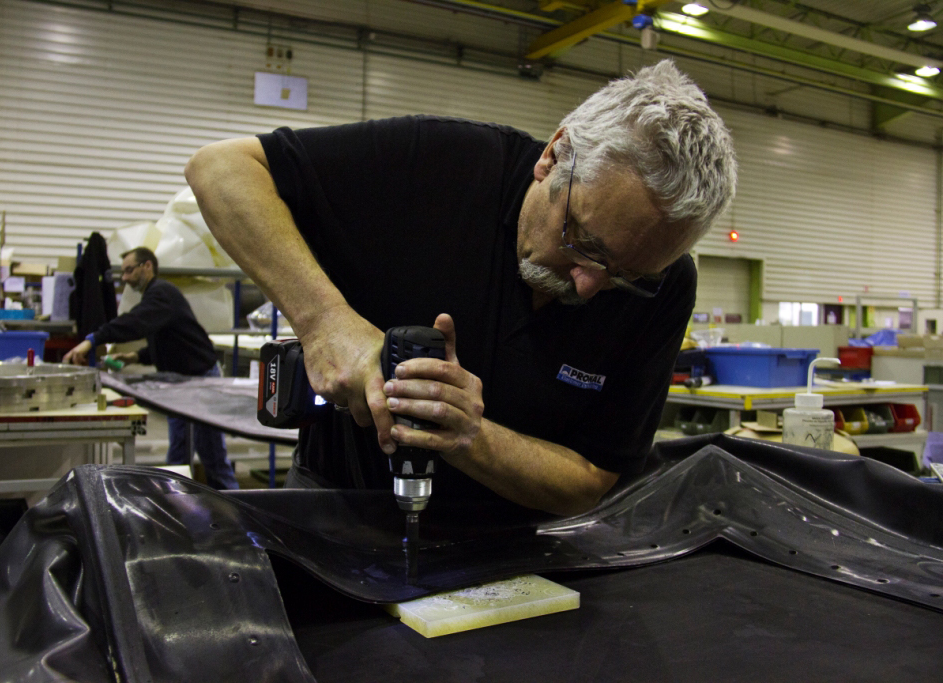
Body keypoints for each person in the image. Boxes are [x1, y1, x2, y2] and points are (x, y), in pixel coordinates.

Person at [184, 59, 735, 515]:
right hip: (339, 507)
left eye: (628, 276)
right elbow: (221, 168)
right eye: (584, 242)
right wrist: (324, 320)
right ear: (553, 157)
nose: (591, 286)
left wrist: (472, 438)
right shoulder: (440, 165)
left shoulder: (666, 284)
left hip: (517, 550)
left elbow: (592, 478)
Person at [63, 247, 239, 490]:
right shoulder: (155, 297)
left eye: (129, 270)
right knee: (179, 454)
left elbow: (134, 322)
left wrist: (92, 339)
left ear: (147, 266)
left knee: (212, 456)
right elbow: (169, 341)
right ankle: (177, 503)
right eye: (123, 272)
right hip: (179, 381)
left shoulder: (161, 293)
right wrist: (135, 356)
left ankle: (238, 508)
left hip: (200, 380)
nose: (125, 277)